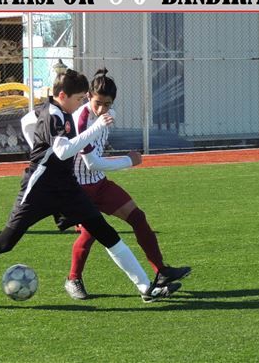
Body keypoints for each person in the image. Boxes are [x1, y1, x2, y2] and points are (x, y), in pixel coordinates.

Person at [0, 69, 180, 304]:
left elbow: (28, 121)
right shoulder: (55, 115)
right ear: (63, 96)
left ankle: (146, 288)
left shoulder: (60, 111)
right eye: (80, 98)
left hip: (67, 188)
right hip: (40, 188)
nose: (83, 102)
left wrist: (38, 146)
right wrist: (94, 129)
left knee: (105, 232)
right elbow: (62, 152)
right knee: (5, 242)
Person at [62, 68, 191, 300]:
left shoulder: (108, 116)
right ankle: (73, 279)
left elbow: (97, 159)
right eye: (98, 103)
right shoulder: (81, 118)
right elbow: (91, 164)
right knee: (90, 234)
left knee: (137, 217)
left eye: (108, 104)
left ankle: (161, 272)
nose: (102, 109)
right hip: (78, 190)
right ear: (89, 96)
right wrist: (129, 161)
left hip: (99, 185)